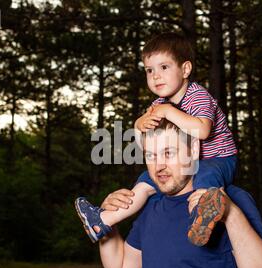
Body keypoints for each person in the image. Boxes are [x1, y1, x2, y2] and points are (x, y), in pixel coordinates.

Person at [75, 32, 237, 246]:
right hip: (182, 163)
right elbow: (146, 145)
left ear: (185, 69)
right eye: (149, 70)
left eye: (164, 67)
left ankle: (203, 218)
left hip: (218, 159)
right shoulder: (159, 103)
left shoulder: (197, 96)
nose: (155, 76)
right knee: (144, 181)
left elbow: (203, 131)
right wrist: (137, 126)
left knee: (206, 177)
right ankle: (102, 221)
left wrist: (168, 112)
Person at [98, 119, 262, 268]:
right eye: (150, 155)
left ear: (194, 149)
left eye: (168, 153)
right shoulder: (151, 206)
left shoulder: (234, 199)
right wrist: (106, 225)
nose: (159, 166)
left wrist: (230, 213)